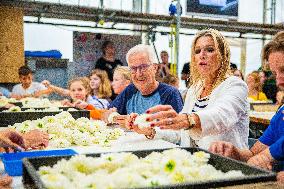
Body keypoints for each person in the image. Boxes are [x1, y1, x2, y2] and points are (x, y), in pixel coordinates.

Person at [127, 29, 249, 149]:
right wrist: (152, 130)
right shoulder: (195, 89)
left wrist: (187, 119)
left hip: (226, 162)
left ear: (223, 56)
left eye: (210, 50)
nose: (202, 55)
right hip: (197, 161)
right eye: (197, 51)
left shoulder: (235, 85)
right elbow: (181, 132)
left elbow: (221, 116)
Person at [208, 30, 284, 181]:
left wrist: (267, 156)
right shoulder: (281, 114)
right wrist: (235, 153)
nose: (279, 81)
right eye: (275, 74)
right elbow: (253, 154)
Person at [109, 44, 183, 116]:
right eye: (133, 68)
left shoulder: (170, 93)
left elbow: (179, 126)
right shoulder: (130, 91)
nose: (139, 74)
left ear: (155, 68)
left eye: (143, 67)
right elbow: (107, 113)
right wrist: (114, 116)